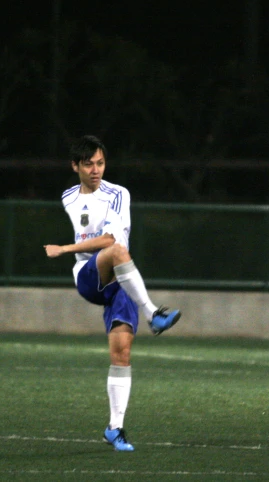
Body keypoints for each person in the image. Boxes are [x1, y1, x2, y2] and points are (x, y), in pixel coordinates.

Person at [44, 135, 181, 452]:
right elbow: (107, 245)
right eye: (89, 163)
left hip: (121, 281)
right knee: (119, 251)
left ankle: (114, 429)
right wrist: (73, 251)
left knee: (121, 354)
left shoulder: (119, 194)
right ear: (75, 166)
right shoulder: (68, 197)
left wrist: (64, 247)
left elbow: (108, 240)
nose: (96, 170)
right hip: (89, 277)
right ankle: (153, 315)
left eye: (101, 163)